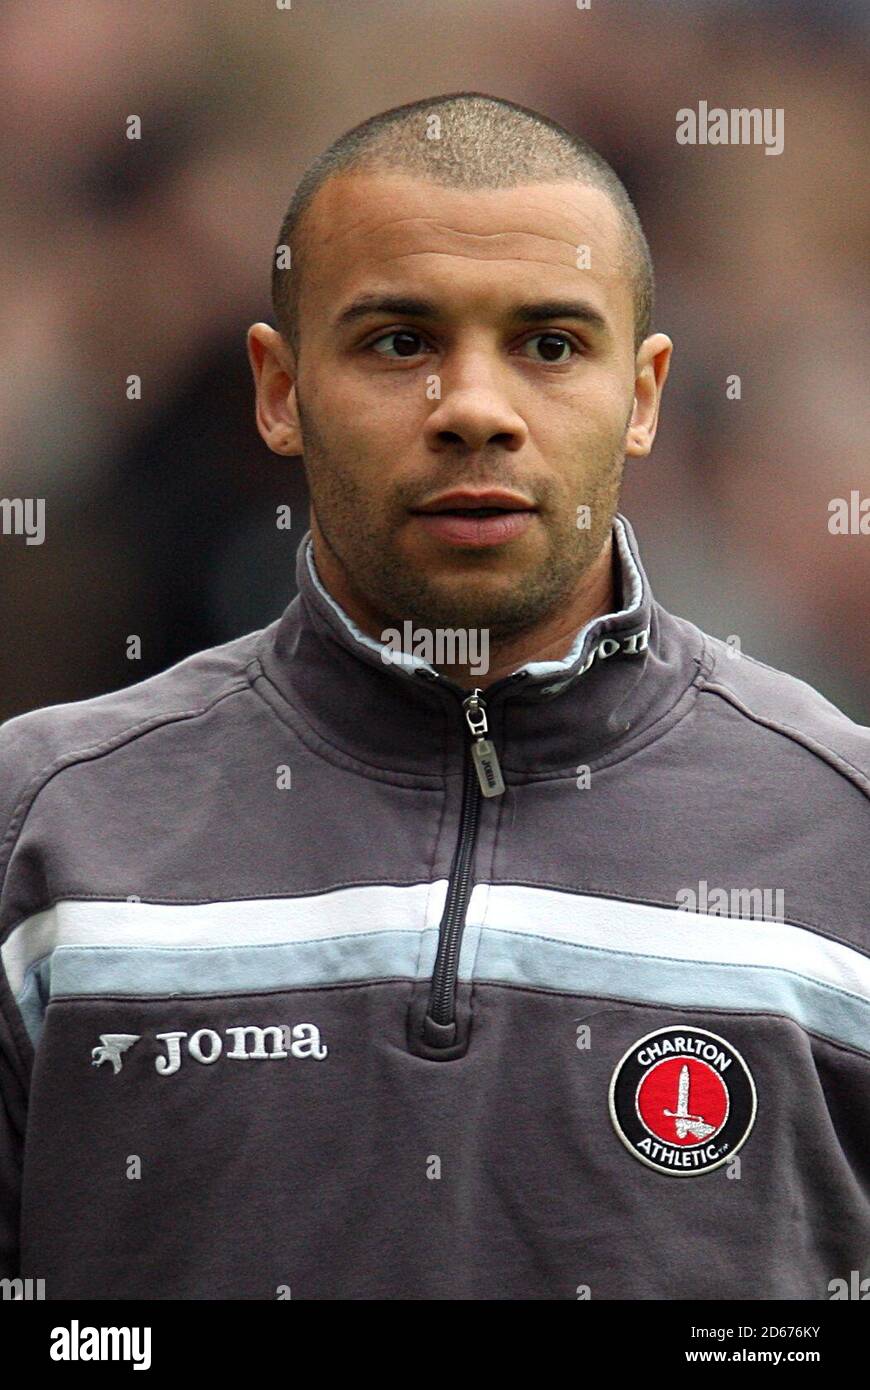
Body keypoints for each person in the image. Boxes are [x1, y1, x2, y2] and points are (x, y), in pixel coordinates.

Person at [0, 92, 867, 1301]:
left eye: (551, 344)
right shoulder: (42, 824)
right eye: (400, 342)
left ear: (647, 394)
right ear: (280, 389)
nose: (473, 408)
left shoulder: (845, 830)